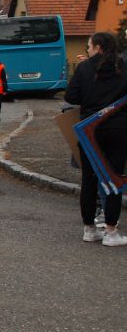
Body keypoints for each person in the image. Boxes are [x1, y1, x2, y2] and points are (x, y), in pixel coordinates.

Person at [65, 32, 127, 246]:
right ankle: (111, 231)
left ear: (98, 47)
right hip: (118, 128)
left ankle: (89, 229)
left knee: (89, 180)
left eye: (89, 47)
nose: (88, 50)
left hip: (89, 130)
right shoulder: (123, 66)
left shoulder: (83, 68)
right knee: (114, 177)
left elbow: (70, 97)